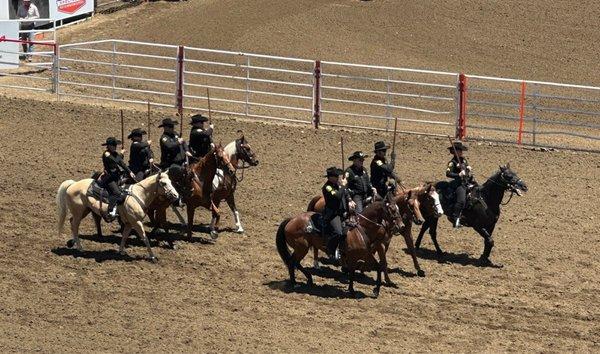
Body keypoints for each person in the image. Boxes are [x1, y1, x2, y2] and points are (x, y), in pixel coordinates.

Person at [322, 166, 354, 260]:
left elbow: (346, 192)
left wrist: (350, 200)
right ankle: (330, 249)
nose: (338, 178)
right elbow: (338, 196)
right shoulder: (328, 187)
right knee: (338, 233)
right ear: (330, 177)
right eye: (336, 176)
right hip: (333, 214)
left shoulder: (338, 184)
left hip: (343, 212)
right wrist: (343, 185)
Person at [100, 137, 136, 221]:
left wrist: (129, 171)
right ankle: (110, 211)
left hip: (117, 177)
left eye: (115, 145)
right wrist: (121, 154)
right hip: (110, 178)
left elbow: (121, 163)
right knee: (116, 193)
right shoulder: (106, 154)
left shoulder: (115, 153)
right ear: (108, 146)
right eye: (113, 145)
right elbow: (115, 160)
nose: (115, 146)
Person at [446, 140, 474, 228]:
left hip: (467, 181)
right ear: (454, 152)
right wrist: (458, 175)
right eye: (459, 150)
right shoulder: (452, 162)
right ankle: (456, 219)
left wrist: (468, 169)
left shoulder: (464, 160)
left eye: (461, 150)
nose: (461, 152)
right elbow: (448, 173)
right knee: (461, 200)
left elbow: (466, 169)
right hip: (459, 184)